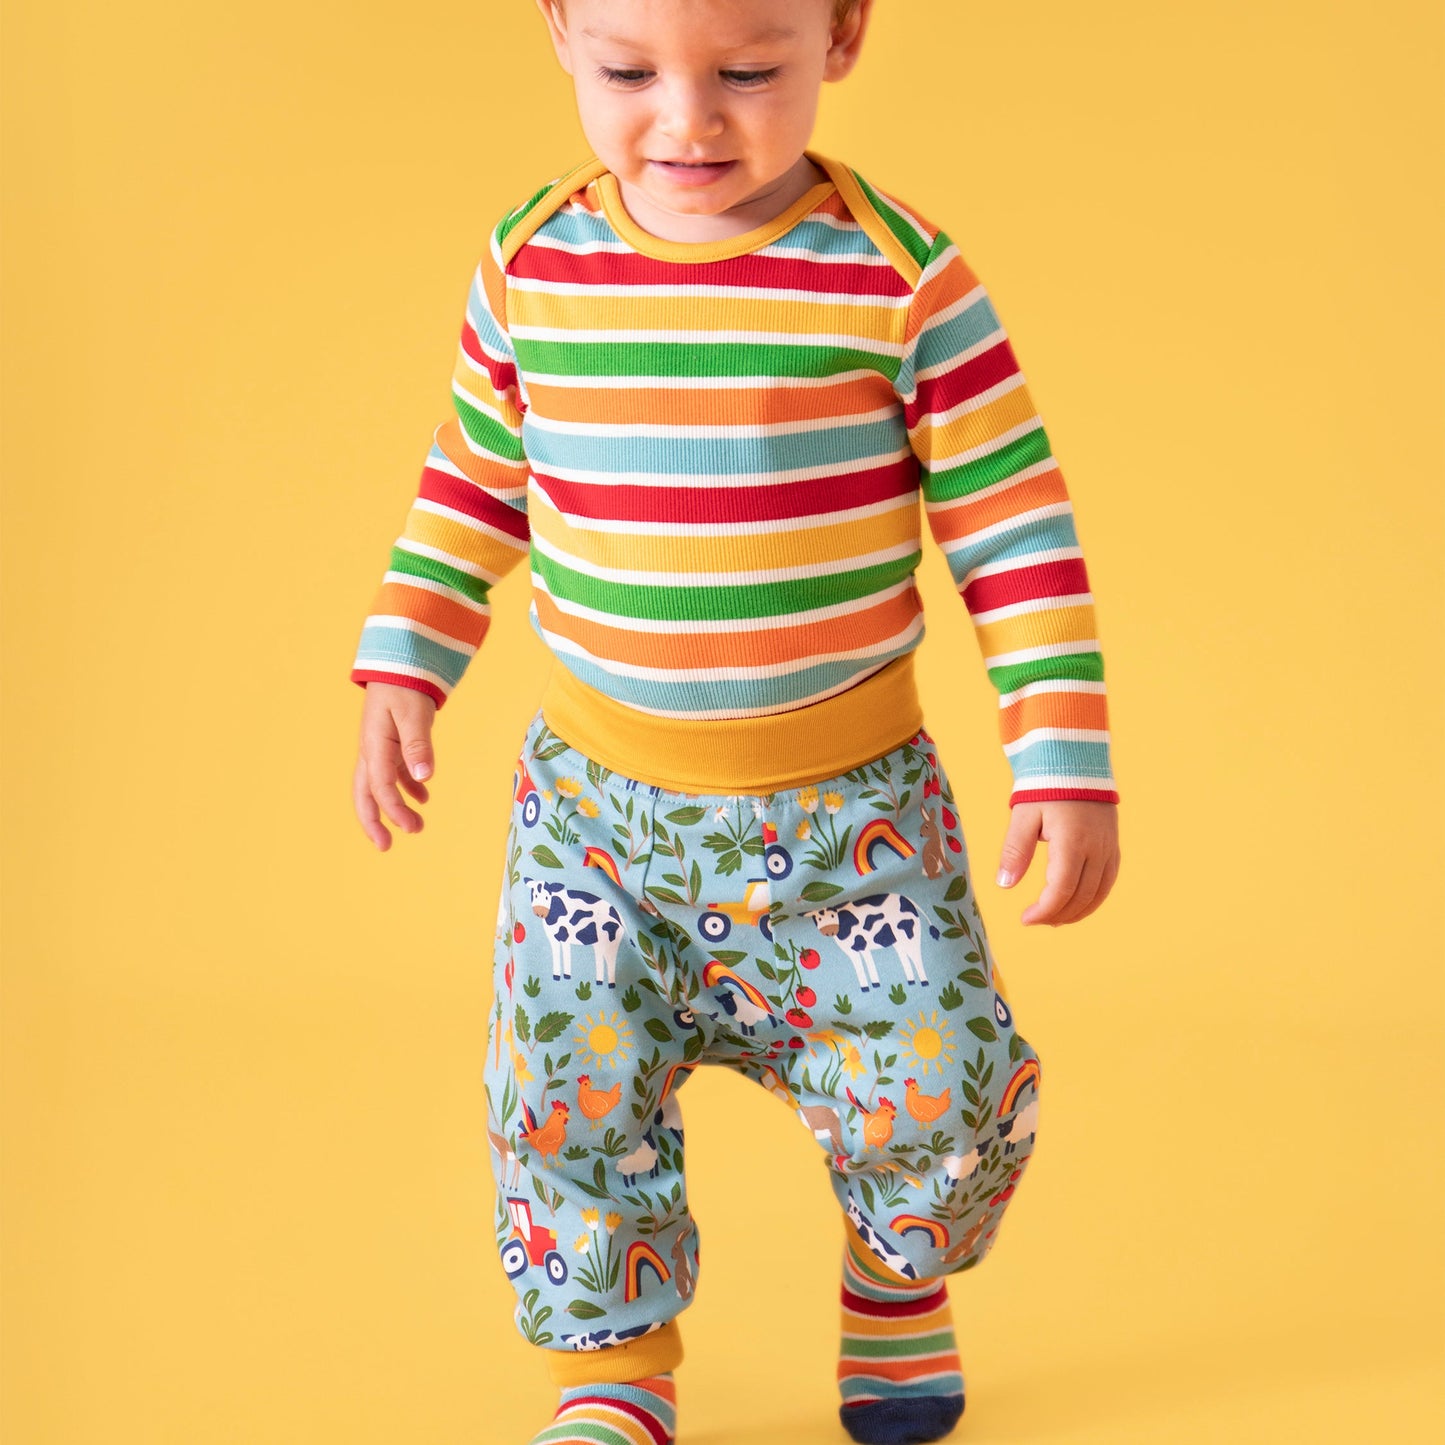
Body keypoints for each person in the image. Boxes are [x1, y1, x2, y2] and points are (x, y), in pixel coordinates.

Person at [349, 1, 1121, 1440]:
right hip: (599, 818)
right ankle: (614, 1376)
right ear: (558, 32)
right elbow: (468, 484)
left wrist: (1058, 756)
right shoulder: (532, 266)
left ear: (841, 34)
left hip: (850, 820)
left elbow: (1011, 526)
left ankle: (898, 1281)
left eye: (748, 71)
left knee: (938, 1090)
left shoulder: (898, 278)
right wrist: (407, 660)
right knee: (558, 1098)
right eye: (629, 71)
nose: (688, 122)